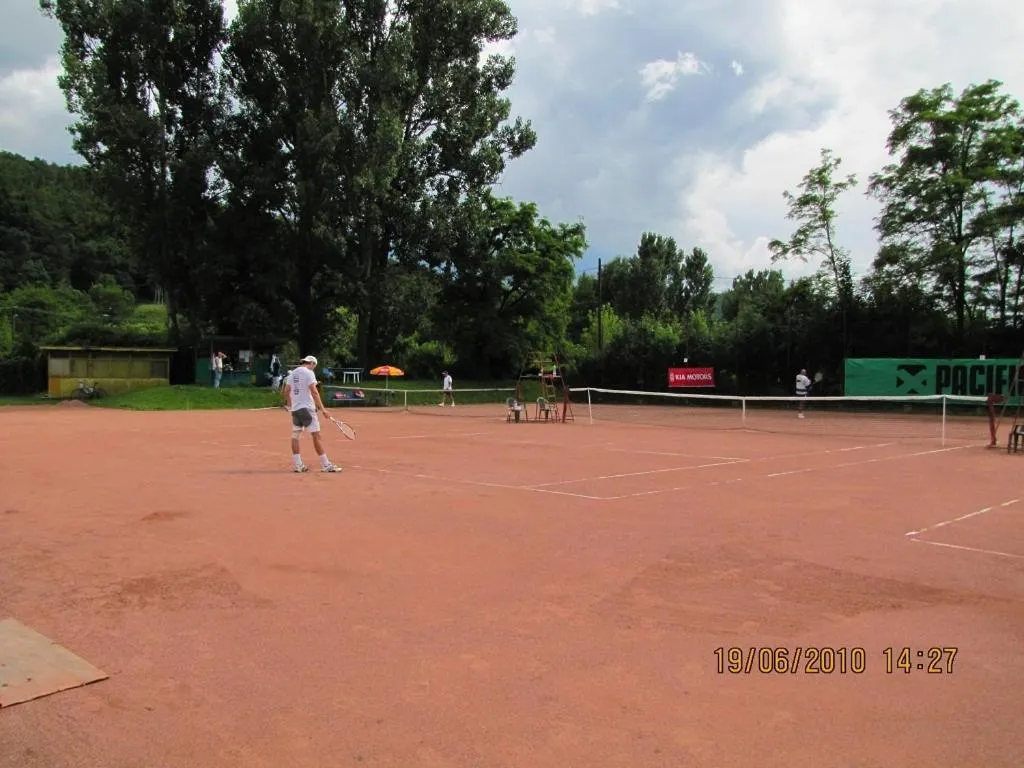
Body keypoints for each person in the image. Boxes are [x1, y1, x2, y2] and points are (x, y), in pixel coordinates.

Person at [282, 355, 342, 473]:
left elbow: (286, 391)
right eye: (314, 366)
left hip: (296, 410)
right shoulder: (309, 373)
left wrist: (290, 405)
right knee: (316, 436)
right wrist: (323, 409)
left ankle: (299, 465)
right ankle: (326, 465)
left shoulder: (292, 374)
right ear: (312, 364)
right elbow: (314, 392)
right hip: (307, 409)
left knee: (295, 436)